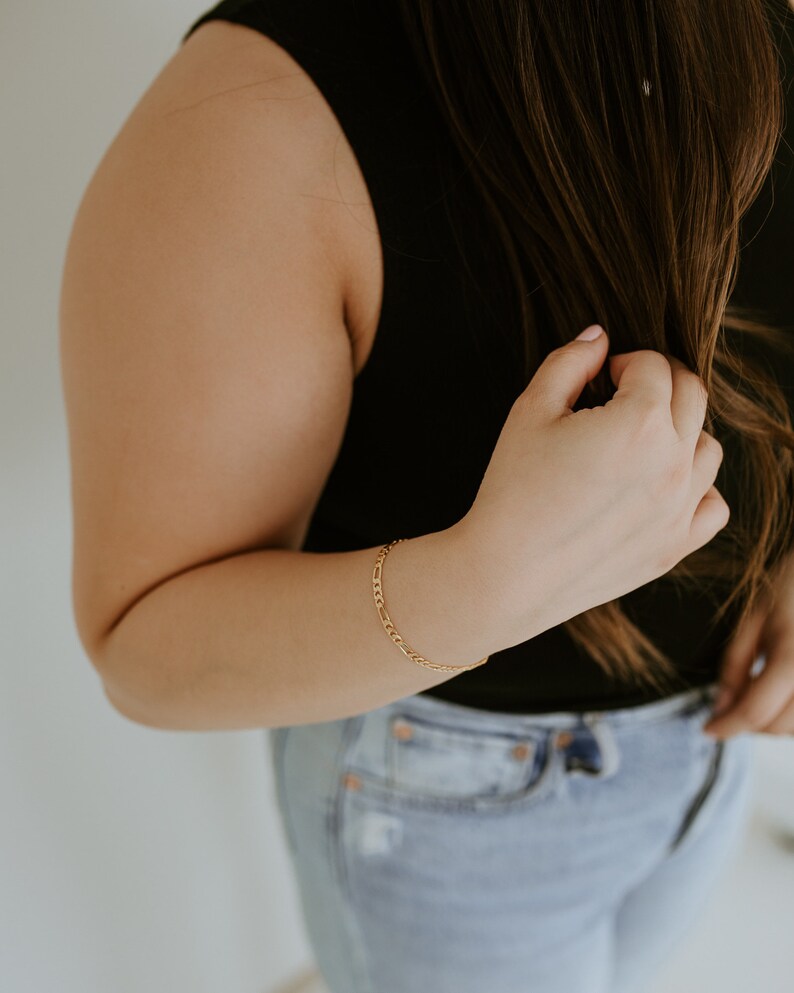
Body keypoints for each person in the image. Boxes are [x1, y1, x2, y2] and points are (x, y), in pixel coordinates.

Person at [59, 1, 794, 991]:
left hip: (711, 746)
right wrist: (478, 584)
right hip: (448, 803)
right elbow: (141, 645)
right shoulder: (257, 118)